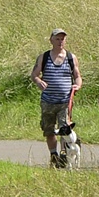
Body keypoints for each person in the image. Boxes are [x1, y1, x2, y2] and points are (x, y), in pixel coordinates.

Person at [32, 29, 82, 167]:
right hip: (48, 101)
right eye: (57, 39)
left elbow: (77, 76)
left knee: (64, 129)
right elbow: (34, 74)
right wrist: (38, 81)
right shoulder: (44, 57)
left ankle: (64, 155)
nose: (60, 42)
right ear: (51, 40)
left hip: (65, 102)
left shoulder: (71, 57)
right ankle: (54, 155)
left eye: (62, 39)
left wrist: (77, 86)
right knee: (49, 130)